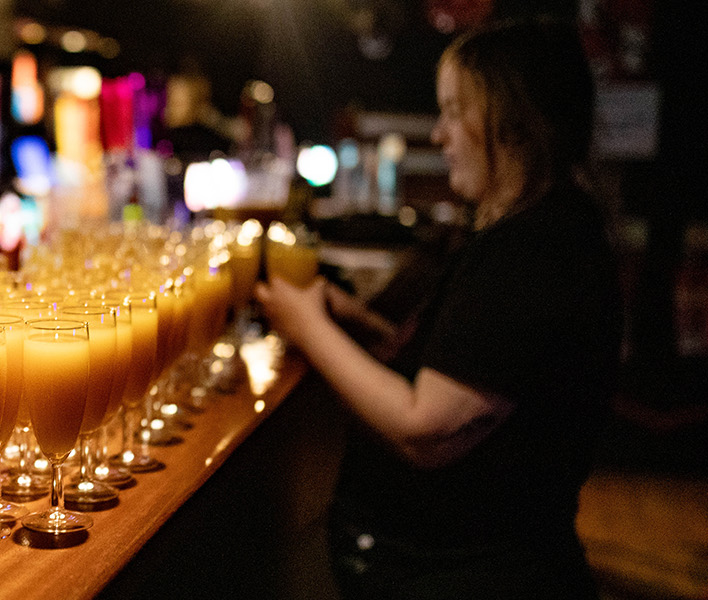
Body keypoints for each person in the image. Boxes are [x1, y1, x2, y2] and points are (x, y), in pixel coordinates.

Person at [255, 18, 619, 599]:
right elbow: (483, 369)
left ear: (515, 125)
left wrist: (309, 324)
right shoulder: (538, 235)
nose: (440, 135)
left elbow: (427, 427)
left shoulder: (533, 253)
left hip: (468, 577)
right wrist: (365, 329)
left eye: (455, 111)